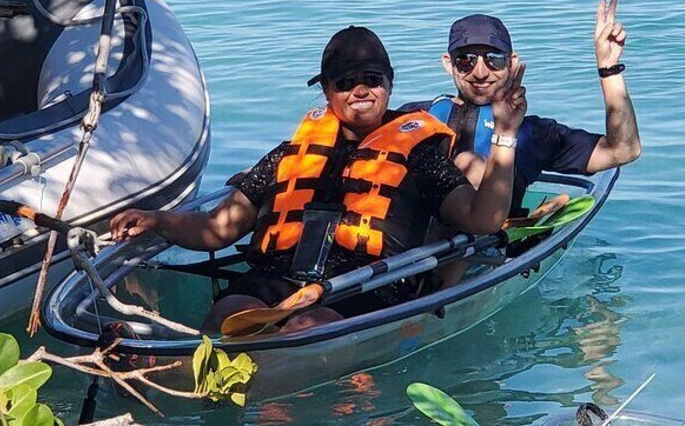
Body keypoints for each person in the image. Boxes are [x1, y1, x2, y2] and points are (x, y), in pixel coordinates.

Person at [110, 25, 526, 333]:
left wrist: (505, 133)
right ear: (326, 91)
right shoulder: (289, 153)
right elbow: (218, 229)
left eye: (372, 80)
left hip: (365, 286)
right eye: (345, 83)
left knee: (306, 327)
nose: (360, 90)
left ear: (389, 84)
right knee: (226, 315)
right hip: (277, 276)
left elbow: (482, 220)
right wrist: (158, 220)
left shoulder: (420, 155)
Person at [413, 0, 641, 217]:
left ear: (512, 63)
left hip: (483, 246)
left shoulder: (533, 134)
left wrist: (609, 69)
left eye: (494, 60)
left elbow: (623, 150)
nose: (480, 73)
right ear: (447, 63)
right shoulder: (413, 117)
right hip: (408, 248)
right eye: (466, 60)